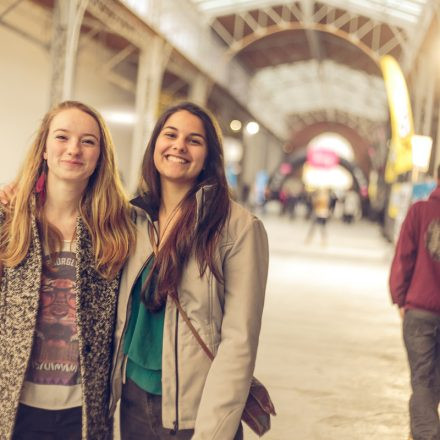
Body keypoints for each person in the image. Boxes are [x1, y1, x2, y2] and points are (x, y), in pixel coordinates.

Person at [108, 101, 269, 439]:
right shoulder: (134, 218)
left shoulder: (238, 228)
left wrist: (214, 430)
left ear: (209, 156)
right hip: (134, 399)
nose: (179, 145)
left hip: (196, 410)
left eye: (194, 140)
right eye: (170, 135)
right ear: (155, 145)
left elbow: (239, 340)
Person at [0, 101, 135, 439]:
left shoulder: (118, 229)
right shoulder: (9, 221)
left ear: (100, 156)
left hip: (82, 412)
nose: (74, 149)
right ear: (44, 148)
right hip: (14, 407)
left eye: (88, 141)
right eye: (62, 137)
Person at [389, 164, 440, 440]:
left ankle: (426, 435)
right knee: (434, 383)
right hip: (423, 310)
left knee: (422, 379)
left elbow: (404, 257)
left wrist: (400, 298)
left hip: (419, 310)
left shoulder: (420, 211)